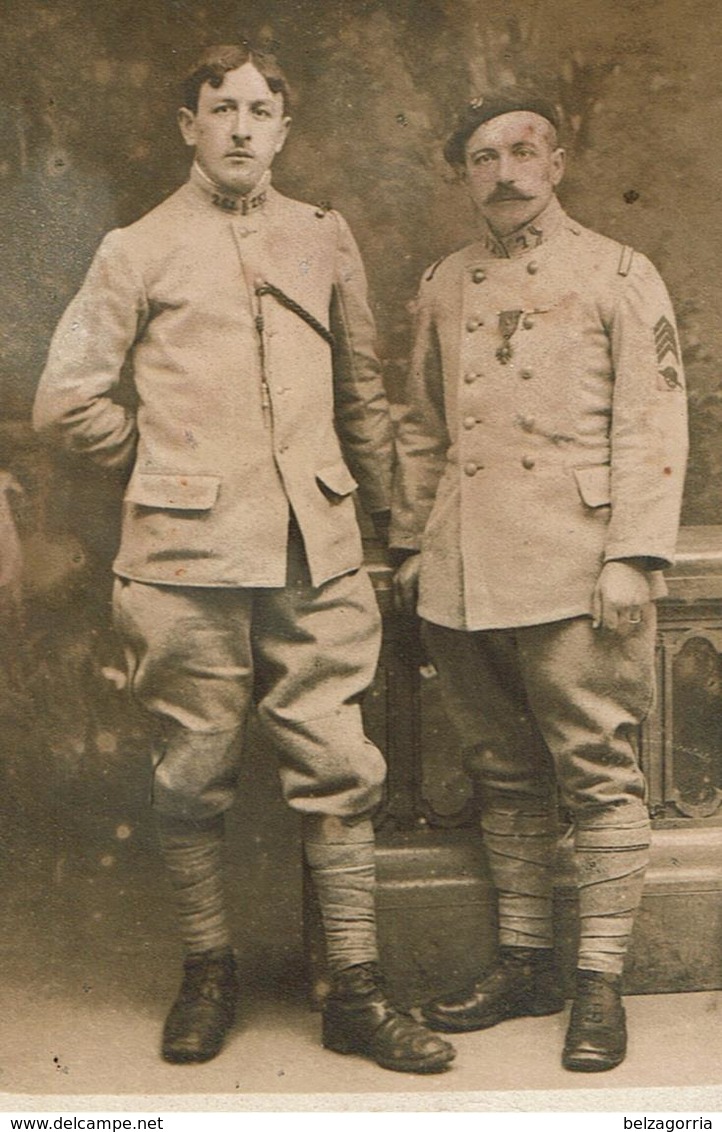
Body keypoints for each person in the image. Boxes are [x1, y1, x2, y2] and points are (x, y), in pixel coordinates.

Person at [33, 43, 454, 1075]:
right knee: (192, 769)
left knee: (339, 767)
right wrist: (162, 458)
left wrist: (388, 527)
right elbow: (63, 401)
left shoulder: (321, 236)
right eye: (219, 108)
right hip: (182, 556)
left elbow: (360, 393)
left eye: (259, 110)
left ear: (282, 128)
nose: (238, 128)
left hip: (317, 550)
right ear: (188, 125)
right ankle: (207, 971)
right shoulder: (137, 247)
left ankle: (353, 990)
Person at [391, 90, 688, 1072]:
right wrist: (408, 546)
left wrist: (631, 557)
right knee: (503, 774)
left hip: (574, 567)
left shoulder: (614, 272)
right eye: (482, 158)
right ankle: (524, 964)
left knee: (600, 778)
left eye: (523, 151)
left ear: (555, 163)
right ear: (466, 175)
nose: (505, 172)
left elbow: (651, 425)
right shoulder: (445, 281)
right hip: (462, 570)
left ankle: (596, 982)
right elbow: (423, 428)